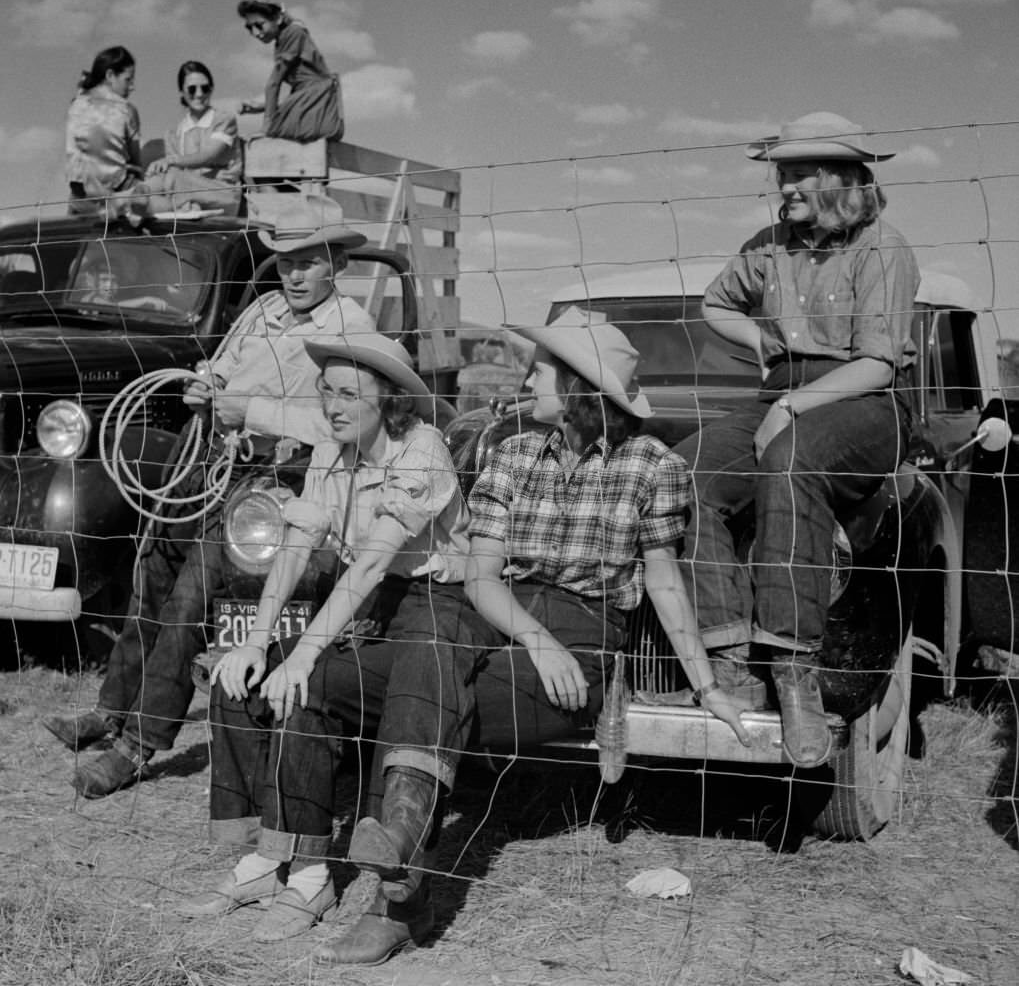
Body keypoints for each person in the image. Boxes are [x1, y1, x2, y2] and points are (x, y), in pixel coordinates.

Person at [307, 311, 752, 968]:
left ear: (576, 385)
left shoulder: (650, 465)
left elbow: (662, 582)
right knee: (385, 650)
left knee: (422, 679)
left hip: (584, 631)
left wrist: (706, 684)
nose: (526, 374)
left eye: (541, 367)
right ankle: (376, 854)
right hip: (497, 609)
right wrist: (534, 638)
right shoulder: (511, 452)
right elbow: (482, 578)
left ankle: (396, 897)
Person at [42, 196, 375, 797]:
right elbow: (220, 369)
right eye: (284, 261)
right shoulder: (264, 308)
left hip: (270, 485)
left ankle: (139, 743)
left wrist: (254, 410)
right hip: (209, 463)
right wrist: (206, 389)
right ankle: (111, 707)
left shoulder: (354, 330)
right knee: (152, 577)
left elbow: (348, 422)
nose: (293, 274)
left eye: (308, 262)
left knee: (191, 599)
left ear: (336, 263)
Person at [174, 333, 476, 946]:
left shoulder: (421, 450)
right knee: (243, 677)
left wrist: (305, 652)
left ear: (388, 400)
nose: (333, 406)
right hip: (366, 601)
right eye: (326, 392)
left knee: (305, 679)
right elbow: (297, 544)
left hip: (432, 607)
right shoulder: (331, 451)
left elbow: (369, 564)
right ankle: (272, 859)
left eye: (348, 394)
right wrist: (258, 640)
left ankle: (312, 879)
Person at [673, 112, 920, 768]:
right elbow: (716, 303)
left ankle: (792, 672)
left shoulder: (882, 248)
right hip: (779, 390)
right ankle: (727, 660)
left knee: (789, 460)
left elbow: (876, 364)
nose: (784, 185)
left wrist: (794, 402)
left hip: (863, 401)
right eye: (781, 172)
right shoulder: (766, 245)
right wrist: (764, 347)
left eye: (799, 173)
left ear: (843, 179)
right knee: (679, 472)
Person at [237, 0, 344, 143]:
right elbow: (303, 91)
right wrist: (263, 107)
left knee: (266, 138)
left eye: (259, 25)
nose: (255, 33)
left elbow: (274, 83)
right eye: (250, 28)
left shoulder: (292, 33)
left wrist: (267, 127)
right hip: (313, 101)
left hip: (319, 107)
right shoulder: (284, 38)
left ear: (278, 19)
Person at [143, 61, 243, 216]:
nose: (199, 94)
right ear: (182, 92)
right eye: (192, 89)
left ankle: (132, 197)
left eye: (205, 88)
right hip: (184, 192)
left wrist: (170, 161)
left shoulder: (224, 120)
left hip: (221, 193)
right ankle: (129, 201)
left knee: (172, 177)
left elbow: (208, 156)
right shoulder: (174, 133)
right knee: (164, 181)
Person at [65, 46, 143, 217]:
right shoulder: (126, 110)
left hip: (80, 197)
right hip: (118, 191)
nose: (132, 87)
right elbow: (137, 160)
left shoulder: (76, 105)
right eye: (128, 80)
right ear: (109, 76)